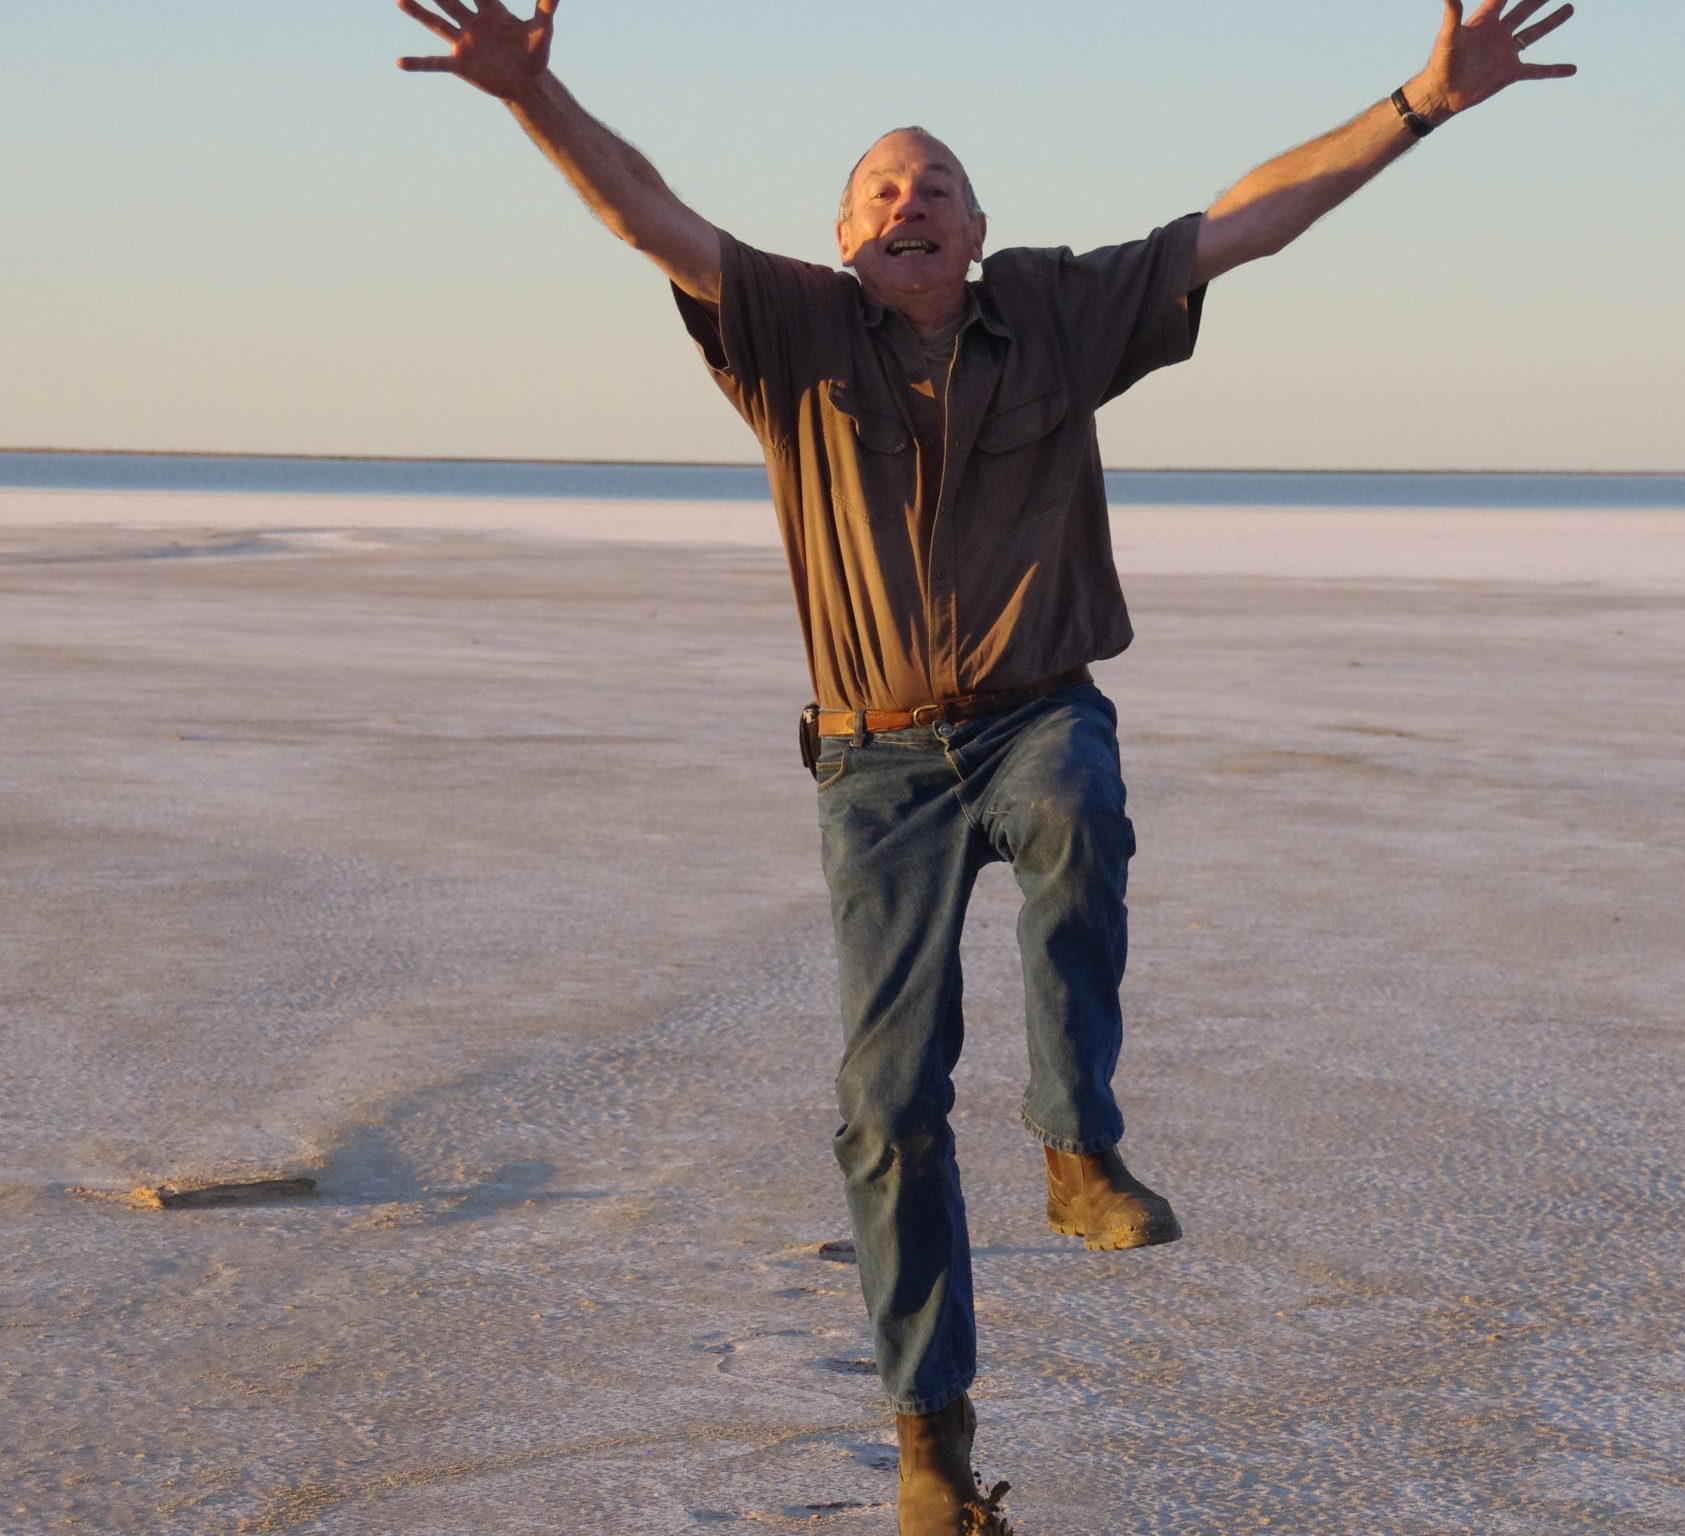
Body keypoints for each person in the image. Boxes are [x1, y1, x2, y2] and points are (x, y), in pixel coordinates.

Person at [388, 2, 1577, 1529]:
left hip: (1035, 711)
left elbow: (1243, 224)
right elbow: (649, 217)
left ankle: (1080, 1146)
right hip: (876, 768)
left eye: (935, 184)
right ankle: (932, 1444)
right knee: (888, 1106)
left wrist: (1423, 102)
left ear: (976, 230)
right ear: (841, 236)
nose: (909, 203)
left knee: (1080, 799)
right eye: (881, 189)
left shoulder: (1057, 313)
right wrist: (532, 97)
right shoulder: (786, 330)